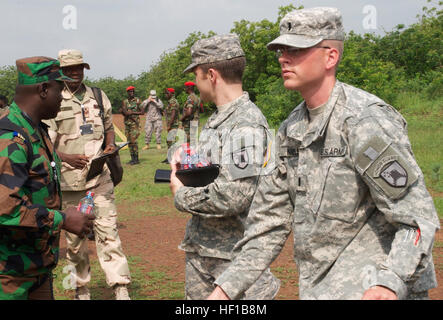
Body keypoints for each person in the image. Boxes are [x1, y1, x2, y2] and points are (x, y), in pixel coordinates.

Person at [208, 7, 440, 300]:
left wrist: (390, 281)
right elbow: (268, 221)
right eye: (281, 49)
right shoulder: (291, 130)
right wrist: (226, 288)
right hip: (321, 290)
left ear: (331, 57)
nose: (283, 58)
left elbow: (417, 220)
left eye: (296, 48)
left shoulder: (364, 121)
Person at [169, 34, 280, 300]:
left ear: (211, 74)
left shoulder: (245, 124)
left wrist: (180, 193)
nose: (195, 83)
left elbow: (233, 196)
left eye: (196, 74)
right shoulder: (219, 118)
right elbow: (217, 171)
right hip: (205, 252)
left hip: (233, 260)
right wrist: (189, 162)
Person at [0, 56, 94, 300]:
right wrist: (61, 219)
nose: (63, 97)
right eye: (59, 89)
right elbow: (6, 209)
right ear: (43, 90)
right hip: (9, 277)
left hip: (37, 268)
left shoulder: (37, 131)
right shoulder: (9, 138)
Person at [44, 49, 131, 300]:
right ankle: (80, 289)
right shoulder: (53, 99)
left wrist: (110, 146)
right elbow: (45, 144)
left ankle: (120, 287)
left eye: (79, 68)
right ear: (60, 71)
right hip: (69, 183)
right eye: (69, 69)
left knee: (108, 232)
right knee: (75, 241)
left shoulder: (97, 95)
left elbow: (108, 127)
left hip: (99, 177)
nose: (75, 74)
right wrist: (67, 157)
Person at [121, 86, 143, 164]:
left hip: (135, 124)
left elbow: (142, 112)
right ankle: (132, 158)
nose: (131, 93)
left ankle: (136, 159)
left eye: (133, 91)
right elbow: (124, 111)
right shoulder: (125, 101)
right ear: (127, 92)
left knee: (134, 141)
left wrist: (132, 112)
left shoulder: (137, 101)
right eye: (130, 91)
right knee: (129, 141)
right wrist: (124, 112)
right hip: (127, 124)